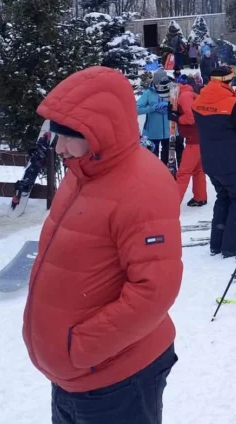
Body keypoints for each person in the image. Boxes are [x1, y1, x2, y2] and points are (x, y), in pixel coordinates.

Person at [25, 67, 182, 424]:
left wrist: (80, 348)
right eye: (56, 134)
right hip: (76, 376)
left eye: (69, 137)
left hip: (117, 378)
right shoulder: (81, 173)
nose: (58, 147)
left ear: (100, 132)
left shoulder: (142, 187)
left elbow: (154, 291)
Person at [193, 66, 236, 258]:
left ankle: (217, 242)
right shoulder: (231, 104)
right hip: (232, 161)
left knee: (223, 198)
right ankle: (232, 246)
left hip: (210, 160)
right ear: (227, 81)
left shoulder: (199, 100)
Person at [173, 73, 207, 207]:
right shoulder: (189, 94)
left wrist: (177, 118)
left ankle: (173, 203)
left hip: (194, 140)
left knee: (183, 172)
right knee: (198, 170)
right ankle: (200, 197)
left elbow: (191, 118)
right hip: (199, 137)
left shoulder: (184, 96)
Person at [137, 69, 173, 167]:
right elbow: (136, 109)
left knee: (166, 158)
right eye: (157, 84)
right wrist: (153, 108)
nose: (158, 86)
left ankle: (165, 173)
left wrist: (169, 106)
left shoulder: (171, 91)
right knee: (153, 159)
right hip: (152, 133)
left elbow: (179, 106)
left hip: (168, 132)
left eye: (161, 84)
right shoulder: (148, 93)